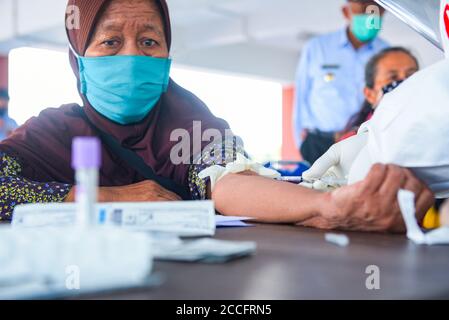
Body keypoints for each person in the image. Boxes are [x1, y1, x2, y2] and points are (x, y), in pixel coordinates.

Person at [0, 0, 433, 233]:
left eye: (150, 42)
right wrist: (107, 199)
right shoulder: (53, 131)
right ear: (78, 59)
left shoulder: (188, 119)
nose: (133, 57)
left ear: (168, 55)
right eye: (111, 42)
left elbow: (228, 180)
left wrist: (329, 205)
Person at [293, 0, 389, 164]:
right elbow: (301, 96)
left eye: (376, 10)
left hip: (365, 143)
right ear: (346, 12)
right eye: (363, 9)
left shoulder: (386, 53)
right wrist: (302, 143)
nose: (370, 16)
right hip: (321, 143)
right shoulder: (317, 48)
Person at [339, 47, 419, 140]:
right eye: (393, 77)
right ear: (370, 94)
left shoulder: (432, 125)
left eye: (411, 75)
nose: (405, 82)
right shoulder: (354, 140)